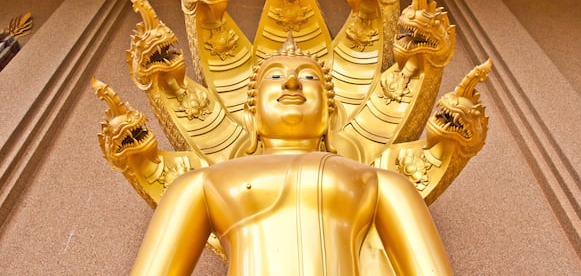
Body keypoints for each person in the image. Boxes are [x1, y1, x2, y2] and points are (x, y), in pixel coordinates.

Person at [131, 37, 453, 275]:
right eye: (274, 76)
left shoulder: (380, 183)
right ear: (251, 115)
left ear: (330, 115)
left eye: (309, 77)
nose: (291, 82)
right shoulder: (200, 184)